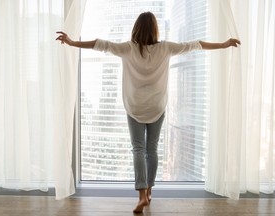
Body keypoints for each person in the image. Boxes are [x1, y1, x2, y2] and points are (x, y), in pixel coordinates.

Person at [56, 11, 240, 213]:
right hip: (157, 106)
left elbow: (101, 44)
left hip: (135, 106)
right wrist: (224, 44)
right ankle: (150, 191)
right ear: (155, 29)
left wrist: (72, 43)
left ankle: (142, 195)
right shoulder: (166, 48)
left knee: (138, 149)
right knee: (151, 149)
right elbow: (196, 44)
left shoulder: (127, 49)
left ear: (136, 28)